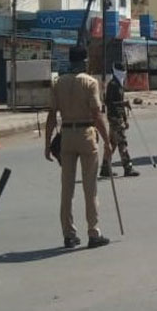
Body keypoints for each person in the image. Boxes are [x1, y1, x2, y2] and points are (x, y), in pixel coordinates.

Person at [43, 45, 112, 249]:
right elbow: (97, 115)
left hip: (66, 135)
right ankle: (93, 232)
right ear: (84, 61)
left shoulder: (58, 83)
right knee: (90, 188)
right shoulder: (90, 83)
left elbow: (51, 116)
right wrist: (107, 141)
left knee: (67, 188)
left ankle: (69, 234)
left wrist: (47, 144)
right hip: (86, 134)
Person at [100, 62, 139, 178]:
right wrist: (123, 104)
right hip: (114, 118)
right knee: (122, 142)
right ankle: (128, 167)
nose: (124, 73)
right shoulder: (112, 85)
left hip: (118, 117)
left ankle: (105, 168)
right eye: (122, 70)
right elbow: (110, 103)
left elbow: (121, 105)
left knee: (113, 143)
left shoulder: (119, 84)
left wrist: (125, 119)